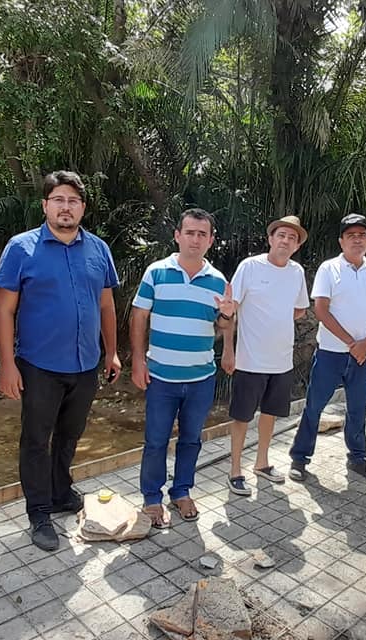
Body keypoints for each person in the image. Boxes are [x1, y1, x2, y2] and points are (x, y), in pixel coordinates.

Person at [0, 170, 122, 551]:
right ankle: (38, 512)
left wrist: (111, 351)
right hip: (39, 364)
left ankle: (61, 491)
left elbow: (106, 305)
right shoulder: (21, 247)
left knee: (70, 433)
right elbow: (4, 311)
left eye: (74, 201)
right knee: (36, 439)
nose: (66, 207)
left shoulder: (98, 248)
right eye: (59, 200)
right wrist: (7, 364)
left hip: (85, 364)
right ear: (46, 204)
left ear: (83, 207)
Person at [131, 208, 236, 528]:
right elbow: (139, 317)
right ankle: (151, 497)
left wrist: (229, 315)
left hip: (201, 377)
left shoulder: (218, 281)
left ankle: (181, 491)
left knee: (191, 439)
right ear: (177, 236)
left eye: (202, 234)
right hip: (161, 376)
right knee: (156, 440)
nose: (195, 239)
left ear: (211, 240)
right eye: (189, 232)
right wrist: (138, 359)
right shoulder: (156, 272)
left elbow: (221, 325)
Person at [288, 214, 366, 482]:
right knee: (314, 406)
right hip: (331, 353)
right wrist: (350, 342)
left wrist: (365, 344)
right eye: (351, 235)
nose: (357, 240)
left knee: (357, 409)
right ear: (341, 241)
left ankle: (358, 458)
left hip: (362, 357)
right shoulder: (329, 268)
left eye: (362, 235)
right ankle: (300, 458)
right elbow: (321, 310)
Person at [220, 215, 310, 496]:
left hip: (281, 360)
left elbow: (300, 309)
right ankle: (235, 470)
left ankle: (262, 463)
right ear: (271, 239)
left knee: (270, 414)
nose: (286, 240)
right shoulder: (250, 267)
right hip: (249, 360)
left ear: (296, 246)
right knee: (242, 417)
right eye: (281, 235)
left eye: (292, 238)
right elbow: (230, 310)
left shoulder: (296, 272)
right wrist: (228, 350)